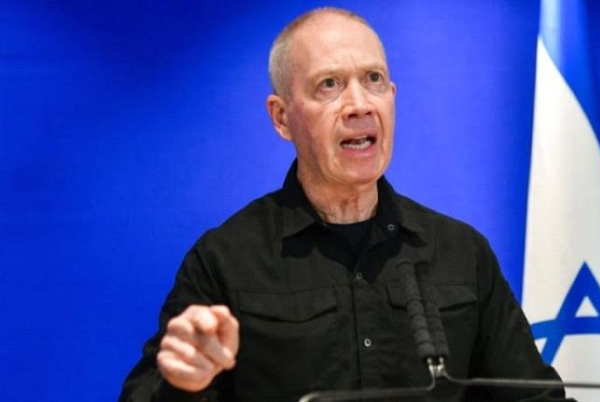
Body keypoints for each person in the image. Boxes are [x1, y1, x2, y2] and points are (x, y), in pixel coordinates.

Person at [120, 7, 569, 402]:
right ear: (282, 117)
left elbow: (534, 397)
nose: (359, 104)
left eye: (373, 80)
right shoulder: (224, 261)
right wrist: (184, 386)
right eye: (329, 85)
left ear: (392, 97)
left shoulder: (461, 253)